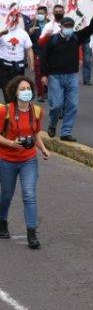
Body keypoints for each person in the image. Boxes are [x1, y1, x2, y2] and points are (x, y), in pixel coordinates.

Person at [0, 77, 50, 249]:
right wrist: (11, 143)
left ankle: (31, 233)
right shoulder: (4, 110)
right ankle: (2, 221)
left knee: (29, 195)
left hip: (28, 159)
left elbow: (35, 134)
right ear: (15, 92)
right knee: (6, 195)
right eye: (22, 89)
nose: (26, 91)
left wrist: (43, 148)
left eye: (28, 88)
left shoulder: (36, 111)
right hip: (7, 159)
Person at [39, 15, 93, 142]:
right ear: (61, 27)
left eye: (71, 26)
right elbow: (44, 57)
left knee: (72, 105)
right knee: (56, 105)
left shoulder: (76, 37)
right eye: (66, 26)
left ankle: (66, 132)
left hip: (72, 76)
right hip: (55, 77)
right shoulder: (53, 40)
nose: (69, 29)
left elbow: (91, 29)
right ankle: (53, 124)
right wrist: (43, 74)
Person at [0, 19, 34, 102]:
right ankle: (9, 111)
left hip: (19, 67)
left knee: (18, 91)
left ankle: (17, 111)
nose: (13, 20)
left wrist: (31, 64)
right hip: (4, 67)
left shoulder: (23, 33)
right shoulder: (2, 31)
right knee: (7, 91)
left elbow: (29, 49)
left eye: (16, 18)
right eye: (11, 17)